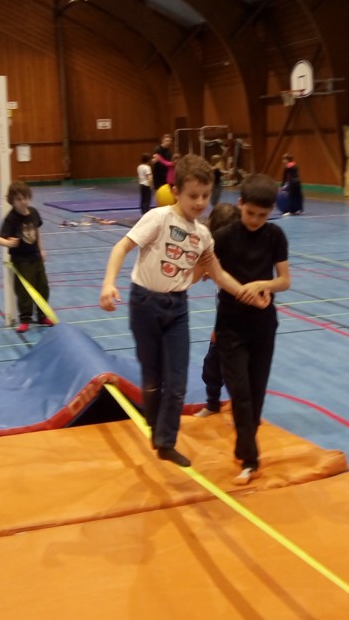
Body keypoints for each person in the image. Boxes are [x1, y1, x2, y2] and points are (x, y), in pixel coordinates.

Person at [100, 154, 269, 468]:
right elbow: (121, 247)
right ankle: (155, 426)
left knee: (177, 381)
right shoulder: (159, 218)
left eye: (205, 196)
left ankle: (166, 442)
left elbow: (219, 275)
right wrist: (109, 283)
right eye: (194, 196)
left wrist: (248, 294)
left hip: (177, 307)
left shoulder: (203, 236)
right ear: (176, 191)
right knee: (152, 377)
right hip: (145, 303)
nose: (200, 203)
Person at [213, 173, 291, 484]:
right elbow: (210, 272)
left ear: (271, 210)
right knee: (241, 393)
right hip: (231, 328)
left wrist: (263, 284)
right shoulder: (223, 237)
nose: (256, 220)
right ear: (240, 203)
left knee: (256, 394)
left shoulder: (275, 236)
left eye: (263, 214)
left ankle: (243, 447)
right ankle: (250, 460)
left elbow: (284, 280)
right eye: (250, 213)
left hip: (263, 326)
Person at [194, 203, 240, 418]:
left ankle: (240, 408)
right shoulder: (216, 252)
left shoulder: (236, 261)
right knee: (211, 367)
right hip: (224, 320)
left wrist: (219, 327)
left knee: (232, 370)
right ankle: (212, 404)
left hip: (235, 323)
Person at [0, 181, 53, 334]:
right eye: (19, 199)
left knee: (43, 287)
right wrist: (8, 243)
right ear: (12, 200)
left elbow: (37, 232)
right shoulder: (11, 218)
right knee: (24, 292)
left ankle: (42, 316)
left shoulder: (33, 212)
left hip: (36, 257)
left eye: (26, 198)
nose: (23, 202)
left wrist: (41, 249)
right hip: (21, 260)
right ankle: (25, 319)